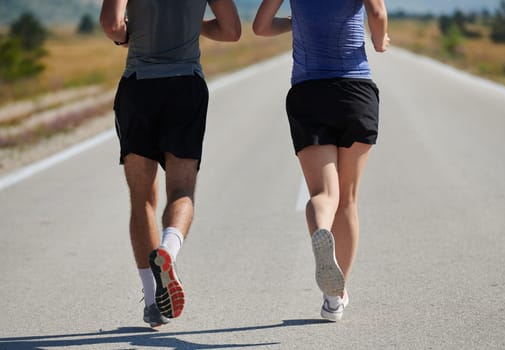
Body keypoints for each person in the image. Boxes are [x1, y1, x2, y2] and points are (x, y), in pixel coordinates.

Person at [100, 0, 241, 327]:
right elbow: (232, 31)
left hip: (138, 87)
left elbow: (111, 24)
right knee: (182, 191)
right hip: (185, 87)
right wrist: (194, 26)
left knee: (142, 199)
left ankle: (153, 302)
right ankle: (168, 250)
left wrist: (126, 37)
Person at [253, 0, 389, 321]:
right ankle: (335, 297)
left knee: (323, 194)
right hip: (356, 91)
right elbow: (378, 13)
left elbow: (260, 26)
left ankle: (321, 234)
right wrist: (380, 41)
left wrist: (294, 21)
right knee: (348, 200)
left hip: (309, 93)